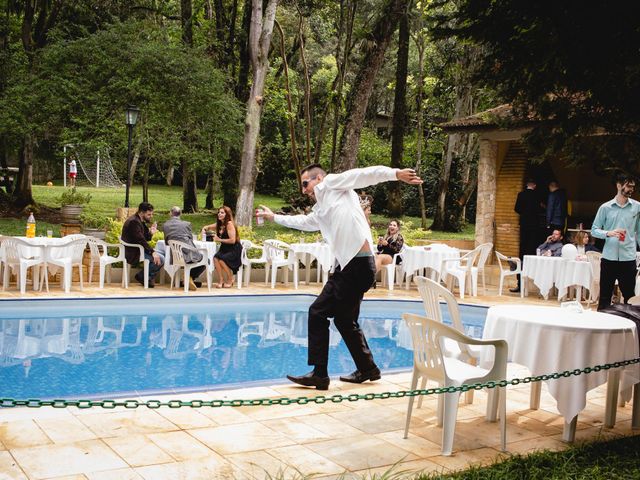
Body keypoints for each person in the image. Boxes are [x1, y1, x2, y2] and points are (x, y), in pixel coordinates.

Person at [257, 164, 422, 390]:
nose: (304, 189)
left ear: (319, 178)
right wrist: (274, 217)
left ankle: (320, 374)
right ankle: (368, 368)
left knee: (317, 312)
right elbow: (303, 223)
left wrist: (395, 174)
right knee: (345, 320)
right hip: (354, 267)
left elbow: (363, 175)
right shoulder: (321, 209)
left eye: (306, 183)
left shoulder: (333, 184)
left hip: (357, 265)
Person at [591, 173, 640, 310]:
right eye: (628, 186)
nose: (631, 189)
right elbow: (594, 230)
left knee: (630, 296)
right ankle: (601, 327)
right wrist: (609, 233)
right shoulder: (605, 207)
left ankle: (632, 327)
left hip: (628, 258)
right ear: (618, 185)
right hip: (609, 258)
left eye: (633, 187)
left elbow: (639, 233)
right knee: (605, 296)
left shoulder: (637, 207)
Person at [512, 178, 544, 292]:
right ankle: (534, 282)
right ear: (534, 185)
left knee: (523, 250)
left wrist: (525, 213)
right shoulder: (538, 195)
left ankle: (520, 283)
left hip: (524, 224)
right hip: (534, 225)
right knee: (533, 250)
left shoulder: (521, 195)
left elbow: (517, 208)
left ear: (527, 185)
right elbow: (540, 209)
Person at [121, 202, 165, 287]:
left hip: (138, 250)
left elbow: (145, 237)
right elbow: (141, 240)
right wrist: (152, 252)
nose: (151, 216)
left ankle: (145, 276)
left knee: (162, 255)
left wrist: (151, 232)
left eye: (151, 214)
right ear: (141, 213)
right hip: (133, 252)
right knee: (161, 259)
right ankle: (144, 277)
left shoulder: (139, 221)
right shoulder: (134, 222)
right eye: (149, 214)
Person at [162, 206, 205, 291]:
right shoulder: (187, 224)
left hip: (175, 256)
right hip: (188, 254)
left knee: (200, 258)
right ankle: (189, 276)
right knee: (205, 260)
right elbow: (191, 239)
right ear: (180, 214)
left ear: (170, 213)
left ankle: (188, 278)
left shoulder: (165, 225)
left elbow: (167, 243)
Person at [203, 206, 242, 288]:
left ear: (227, 214)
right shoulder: (220, 223)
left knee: (222, 260)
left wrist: (219, 239)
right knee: (215, 258)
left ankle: (230, 279)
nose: (219, 214)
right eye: (219, 212)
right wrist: (205, 228)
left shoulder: (229, 224)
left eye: (222, 213)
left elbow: (232, 240)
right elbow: (209, 227)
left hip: (233, 248)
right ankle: (221, 280)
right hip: (225, 248)